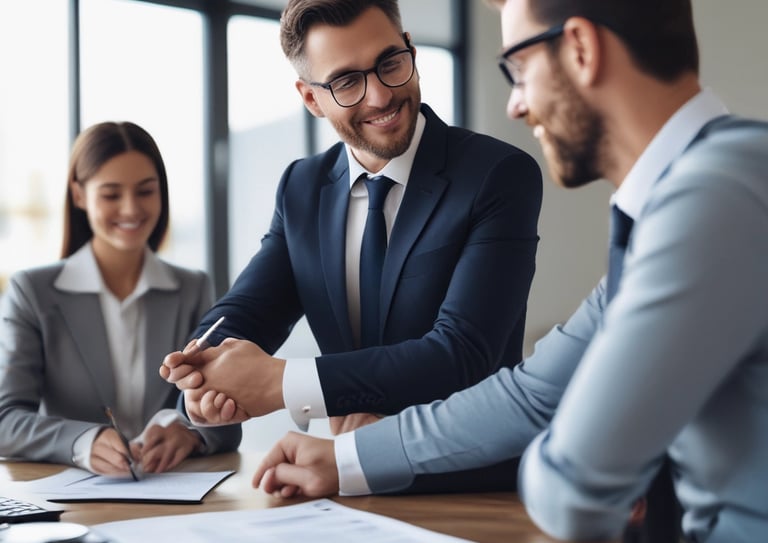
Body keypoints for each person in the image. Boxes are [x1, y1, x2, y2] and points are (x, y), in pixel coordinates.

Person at [248, 0, 768, 541]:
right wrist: (344, 459)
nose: (516, 105)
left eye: (518, 69)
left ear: (582, 51)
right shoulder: (700, 190)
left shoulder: (718, 196)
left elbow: (575, 487)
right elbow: (531, 396)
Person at [160, 0, 542, 486]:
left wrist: (284, 384)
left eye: (390, 63)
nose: (380, 95)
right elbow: (249, 309)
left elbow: (462, 353)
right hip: (338, 482)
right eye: (345, 82)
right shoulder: (301, 187)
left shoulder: (497, 175)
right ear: (311, 98)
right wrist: (204, 370)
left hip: (468, 483)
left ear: (411, 51)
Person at [0, 121, 241, 477]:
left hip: (175, 499)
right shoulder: (32, 291)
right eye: (111, 194)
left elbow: (226, 417)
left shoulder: (193, 288)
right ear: (79, 195)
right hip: (77, 504)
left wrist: (190, 433)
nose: (131, 209)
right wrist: (82, 442)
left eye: (145, 191)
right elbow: (6, 421)